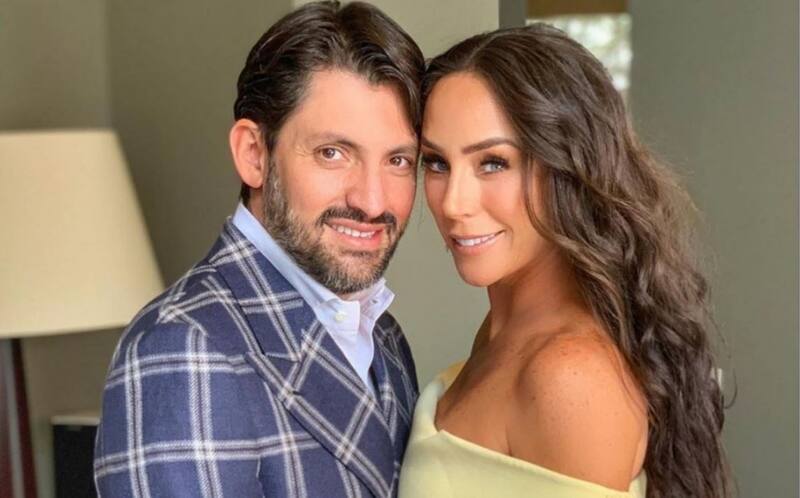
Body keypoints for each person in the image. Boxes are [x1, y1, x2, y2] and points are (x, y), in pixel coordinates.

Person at [94, 2, 424, 497]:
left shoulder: (384, 336)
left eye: (398, 160)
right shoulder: (184, 347)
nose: (373, 201)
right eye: (333, 153)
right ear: (254, 155)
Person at [398, 24, 730, 498]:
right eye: (436, 162)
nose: (453, 203)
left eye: (493, 162)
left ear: (568, 169)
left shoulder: (568, 377)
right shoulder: (505, 329)